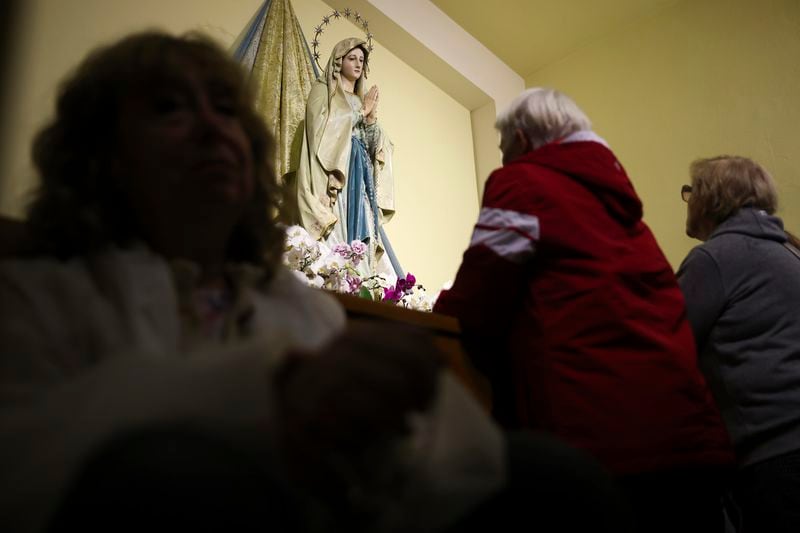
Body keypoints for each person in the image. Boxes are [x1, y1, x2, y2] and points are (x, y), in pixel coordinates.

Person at [0, 31, 512, 533]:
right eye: (169, 107)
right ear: (102, 152)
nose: (212, 128)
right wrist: (269, 393)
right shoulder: (41, 297)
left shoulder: (294, 303)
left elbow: (464, 464)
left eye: (226, 110)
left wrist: (406, 394)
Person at [434, 88, 734, 532]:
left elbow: (479, 297)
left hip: (601, 442)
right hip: (690, 443)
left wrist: (437, 322)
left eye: (503, 152)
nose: (501, 164)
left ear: (521, 138)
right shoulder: (628, 218)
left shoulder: (521, 184)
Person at [677, 156, 800, 533]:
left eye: (690, 192)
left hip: (772, 459)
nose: (686, 200)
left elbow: (665, 346)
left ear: (711, 199)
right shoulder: (790, 253)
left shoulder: (713, 259)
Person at [283, 37, 400, 278]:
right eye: (352, 58)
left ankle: (359, 271)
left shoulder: (360, 99)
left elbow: (370, 145)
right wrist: (361, 111)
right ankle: (336, 266)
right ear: (338, 62)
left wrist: (370, 121)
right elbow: (320, 128)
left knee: (362, 218)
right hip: (337, 169)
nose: (358, 64)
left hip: (360, 170)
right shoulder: (323, 91)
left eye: (361, 60)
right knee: (340, 217)